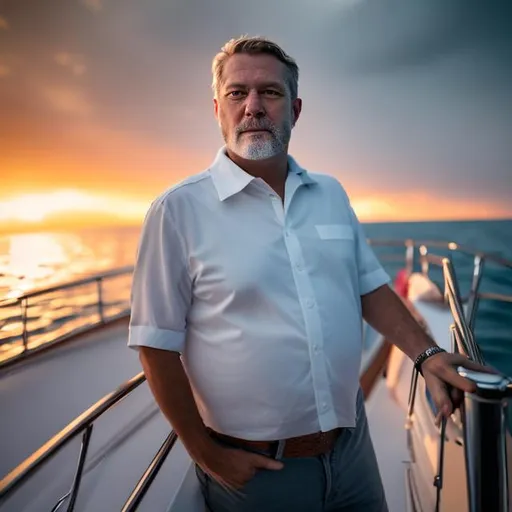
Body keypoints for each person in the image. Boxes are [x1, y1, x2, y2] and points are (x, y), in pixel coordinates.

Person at [128, 36, 489, 512]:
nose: (253, 107)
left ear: (295, 109)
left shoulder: (331, 194)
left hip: (353, 451)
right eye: (238, 93)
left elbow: (369, 288)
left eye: (270, 93)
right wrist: (205, 452)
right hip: (257, 476)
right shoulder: (177, 211)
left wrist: (427, 354)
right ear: (217, 108)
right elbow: (155, 343)